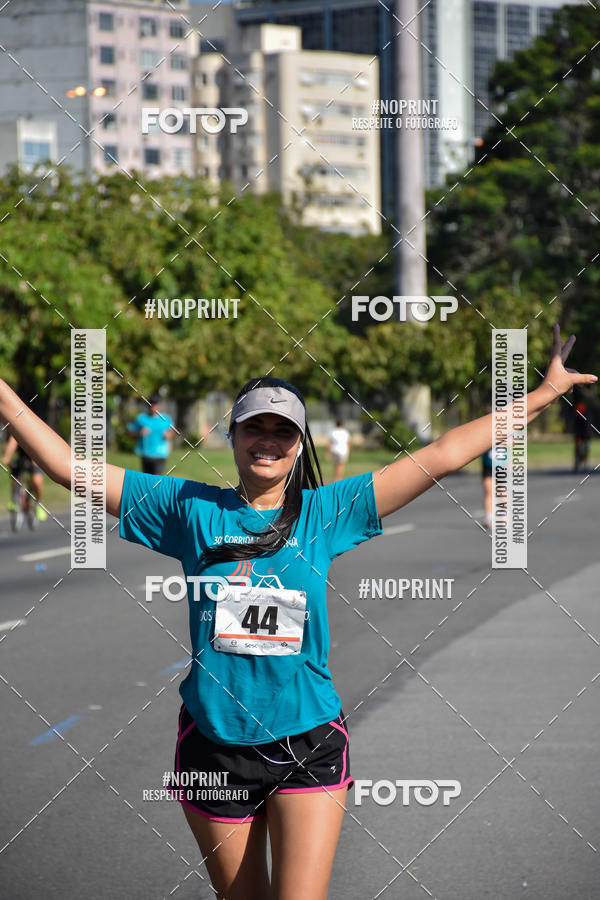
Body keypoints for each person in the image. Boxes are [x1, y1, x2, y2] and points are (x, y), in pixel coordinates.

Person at [0, 325, 594, 900]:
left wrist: (541, 397)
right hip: (214, 747)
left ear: (299, 444)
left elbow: (442, 454)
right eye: (253, 427)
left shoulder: (327, 511)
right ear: (230, 436)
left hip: (307, 739)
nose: (267, 440)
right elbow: (66, 469)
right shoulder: (186, 506)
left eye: (282, 431)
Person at [127, 393, 176, 475]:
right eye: (151, 405)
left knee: (157, 480)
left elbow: (173, 431)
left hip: (160, 454)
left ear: (159, 405)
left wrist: (169, 435)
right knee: (147, 481)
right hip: (146, 454)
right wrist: (140, 433)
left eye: (155, 404)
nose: (153, 407)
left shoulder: (165, 418)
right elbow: (130, 433)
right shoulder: (141, 418)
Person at [2, 433, 47, 521]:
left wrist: (36, 459)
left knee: (36, 481)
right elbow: (13, 441)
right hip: (22, 458)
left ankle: (38, 503)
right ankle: (14, 499)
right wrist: (7, 457)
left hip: (36, 458)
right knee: (14, 475)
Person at [572, 393, 592, 472]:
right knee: (580, 448)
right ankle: (580, 463)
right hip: (581, 433)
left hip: (583, 433)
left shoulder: (581, 409)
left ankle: (582, 463)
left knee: (583, 448)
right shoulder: (580, 409)